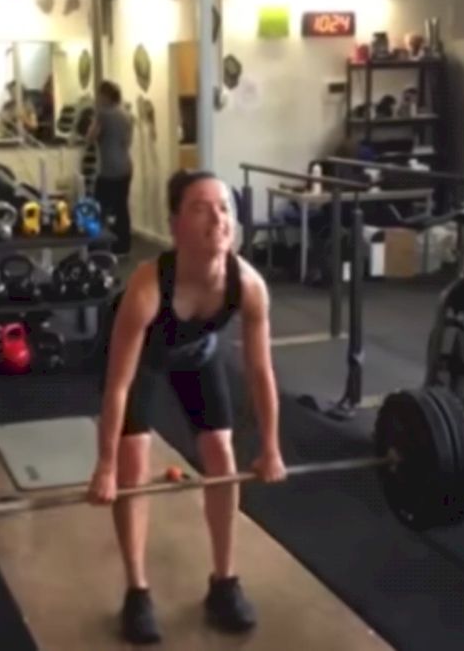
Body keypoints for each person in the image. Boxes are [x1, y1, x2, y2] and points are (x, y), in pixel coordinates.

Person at [87, 170, 286, 644]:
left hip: (196, 354)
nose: (217, 219)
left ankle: (224, 582)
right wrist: (106, 467)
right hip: (139, 359)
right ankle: (137, 591)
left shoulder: (248, 285)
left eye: (224, 208)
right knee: (134, 462)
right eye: (200, 208)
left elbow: (261, 373)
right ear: (175, 225)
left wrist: (272, 449)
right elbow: (118, 386)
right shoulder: (146, 288)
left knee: (221, 454)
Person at [87, 80, 134, 255]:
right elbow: (127, 142)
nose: (97, 98)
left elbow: (90, 137)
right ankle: (123, 246)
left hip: (109, 169)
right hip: (126, 166)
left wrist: (95, 119)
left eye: (99, 95)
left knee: (98, 207)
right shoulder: (126, 114)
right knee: (121, 207)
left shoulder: (103, 114)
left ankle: (95, 245)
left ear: (105, 96)